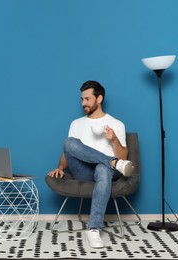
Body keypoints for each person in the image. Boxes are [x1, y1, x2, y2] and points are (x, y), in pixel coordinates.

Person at [47, 80, 133, 249]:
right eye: (82, 99)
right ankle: (110, 161)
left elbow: (123, 157)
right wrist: (60, 167)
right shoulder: (76, 123)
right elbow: (68, 151)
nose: (83, 103)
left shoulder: (116, 124)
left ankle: (93, 229)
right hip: (84, 171)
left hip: (107, 173)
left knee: (103, 169)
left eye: (87, 99)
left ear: (99, 98)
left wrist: (114, 139)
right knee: (69, 142)